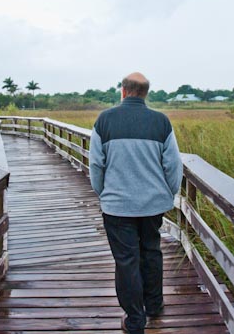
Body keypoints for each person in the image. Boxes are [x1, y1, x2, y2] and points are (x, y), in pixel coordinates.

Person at [89, 72, 183, 334]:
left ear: (123, 91)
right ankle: (153, 305)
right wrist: (167, 194)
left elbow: (96, 164)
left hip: (117, 206)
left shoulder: (104, 120)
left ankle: (135, 321)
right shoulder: (161, 122)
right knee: (151, 251)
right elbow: (174, 165)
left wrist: (103, 193)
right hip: (153, 204)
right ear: (145, 93)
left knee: (126, 259)